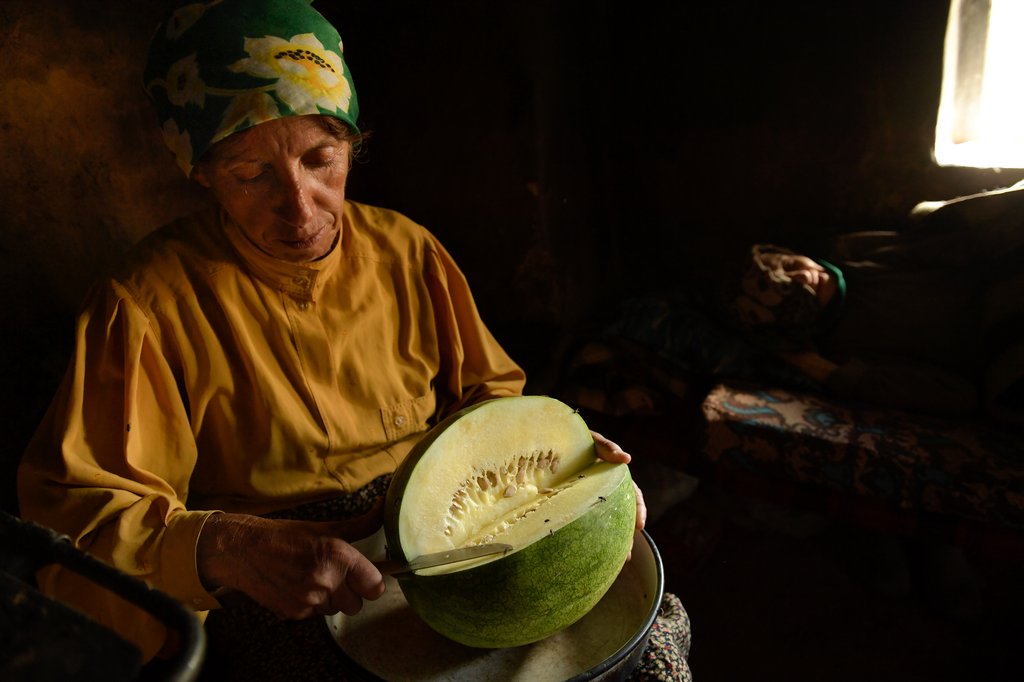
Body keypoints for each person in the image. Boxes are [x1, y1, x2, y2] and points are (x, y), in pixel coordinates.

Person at [15, 1, 664, 678]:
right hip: (279, 577)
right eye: (250, 174)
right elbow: (76, 517)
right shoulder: (143, 303)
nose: (300, 206)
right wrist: (223, 548)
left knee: (645, 639)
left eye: (321, 159)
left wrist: (571, 466)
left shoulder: (407, 250)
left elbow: (488, 398)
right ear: (201, 173)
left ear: (353, 145)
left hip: (445, 533)